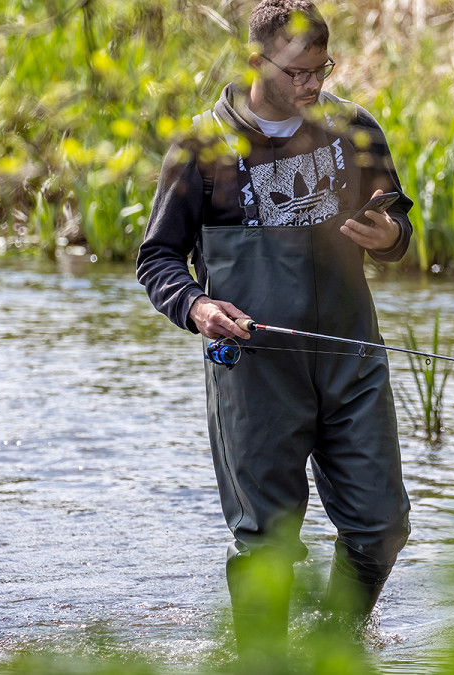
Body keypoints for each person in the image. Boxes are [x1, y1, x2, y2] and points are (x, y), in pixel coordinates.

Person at [136, 0, 412, 644]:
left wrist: (387, 234)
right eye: (297, 73)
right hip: (255, 372)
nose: (312, 85)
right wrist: (199, 306)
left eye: (323, 69)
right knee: (266, 542)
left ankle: (333, 646)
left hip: (351, 359)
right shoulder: (204, 147)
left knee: (381, 525)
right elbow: (157, 260)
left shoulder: (353, 130)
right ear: (257, 62)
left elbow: (397, 231)